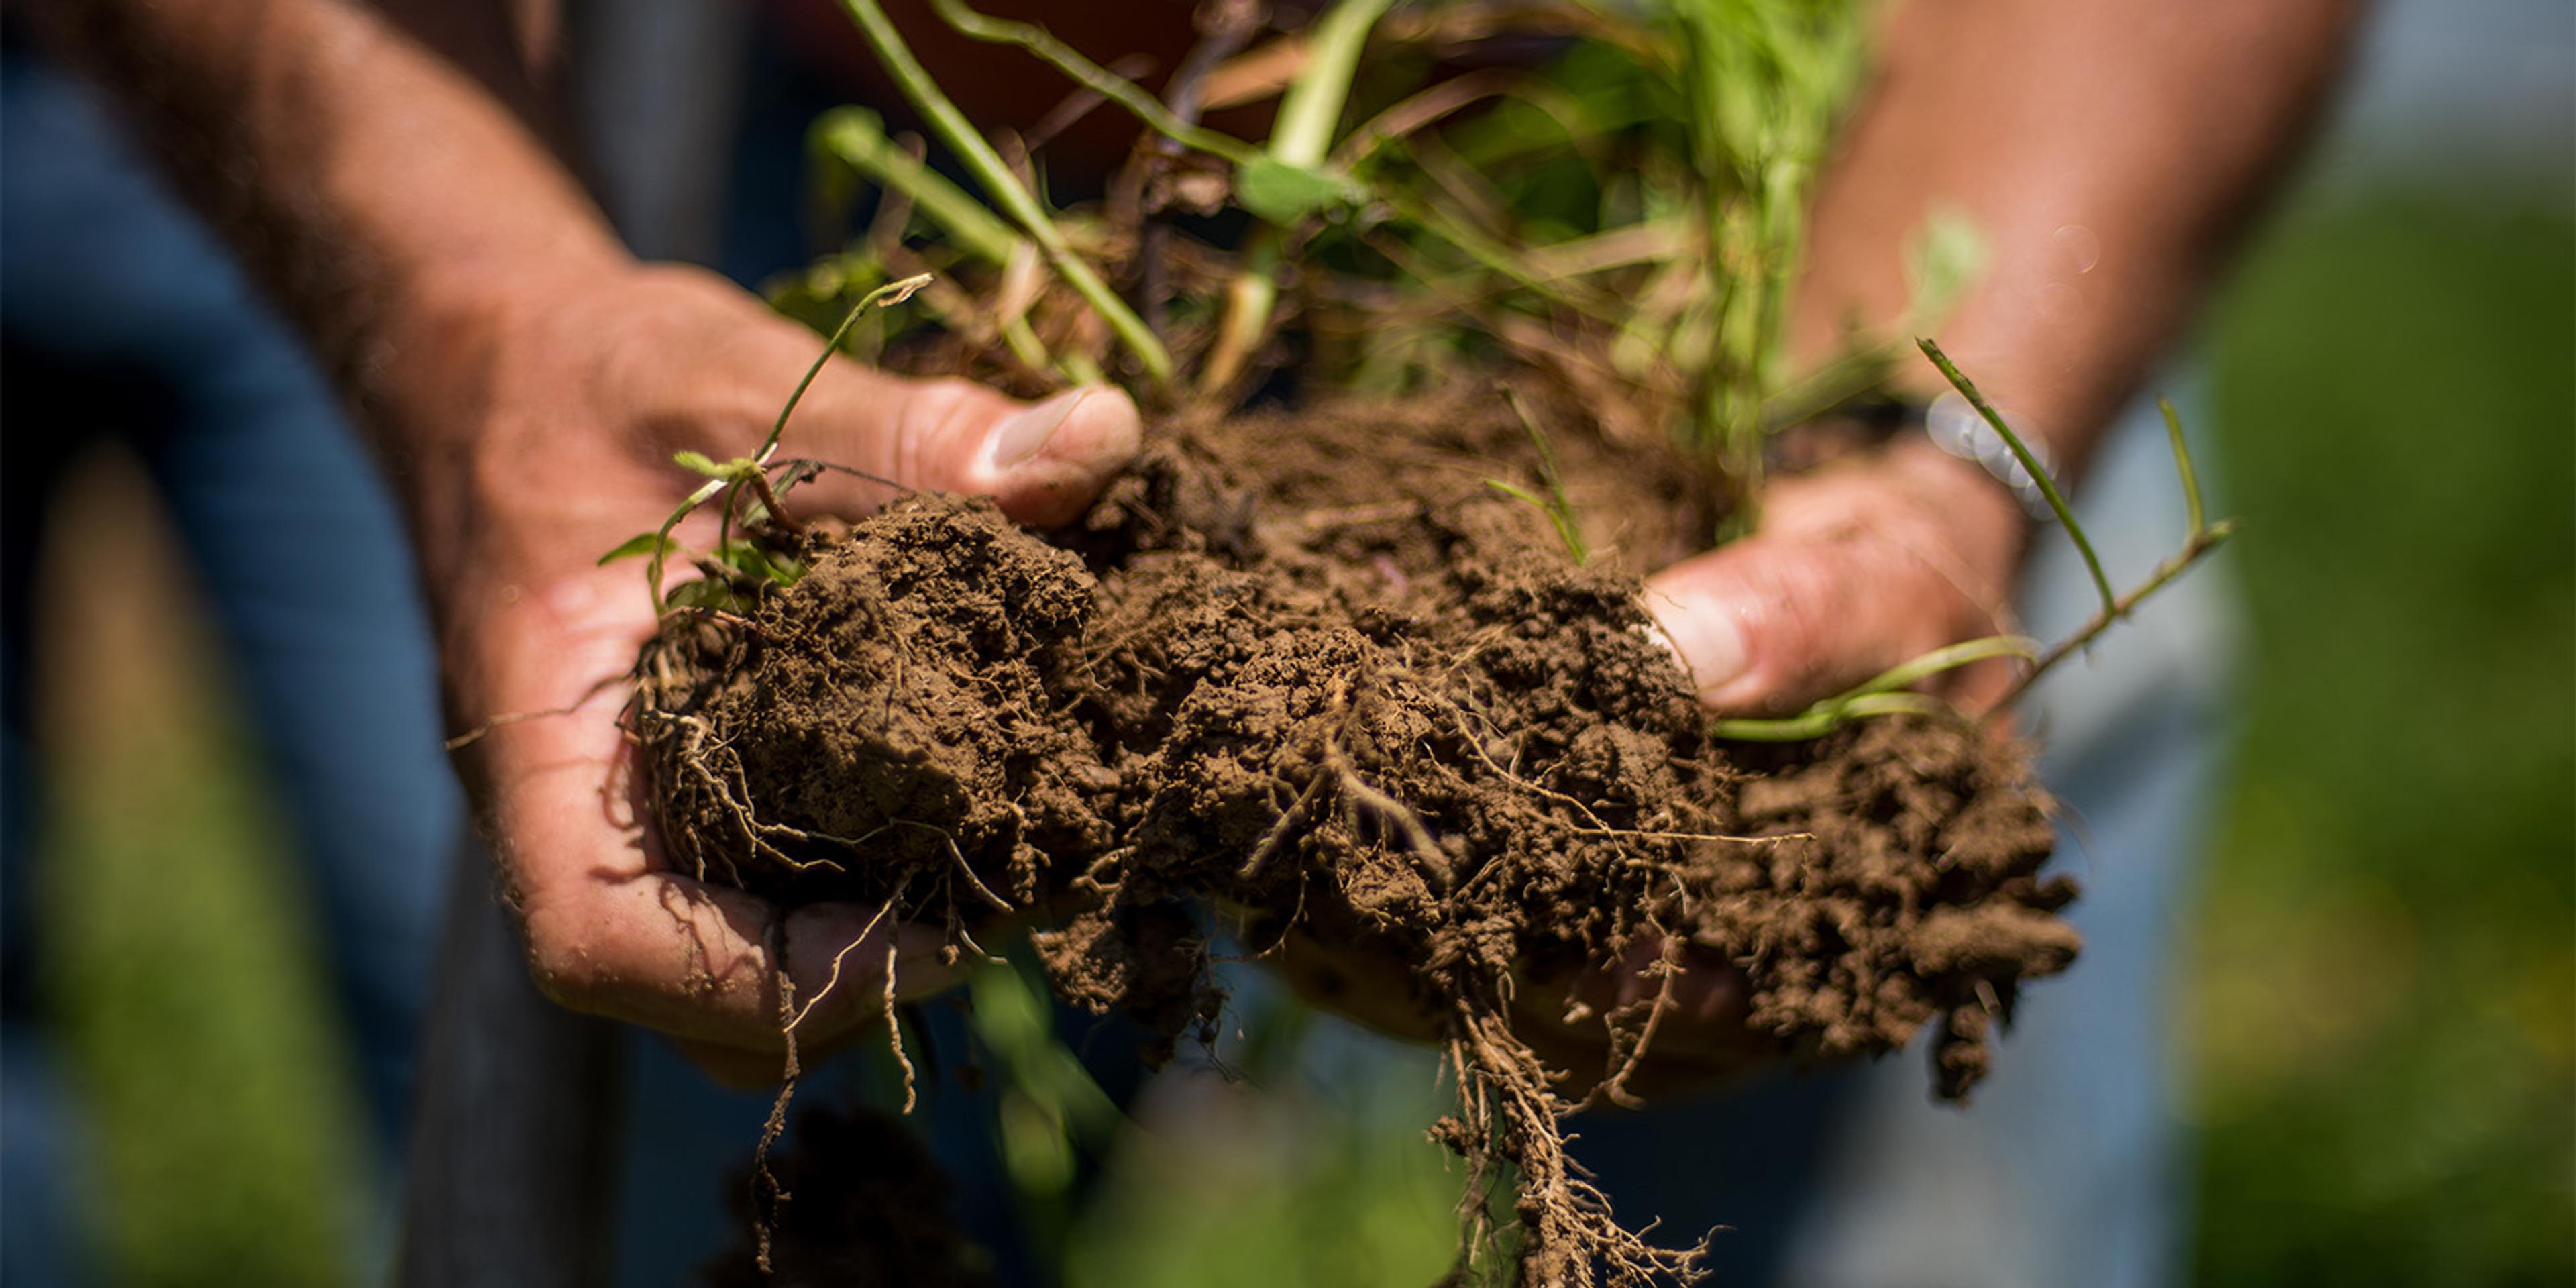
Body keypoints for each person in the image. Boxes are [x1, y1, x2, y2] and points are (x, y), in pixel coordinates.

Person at [20, 0, 2357, 1281]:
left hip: (1906, 163)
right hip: (732, 164)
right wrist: (481, 321)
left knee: (1878, 1036)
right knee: (729, 1119)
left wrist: (1930, 446)